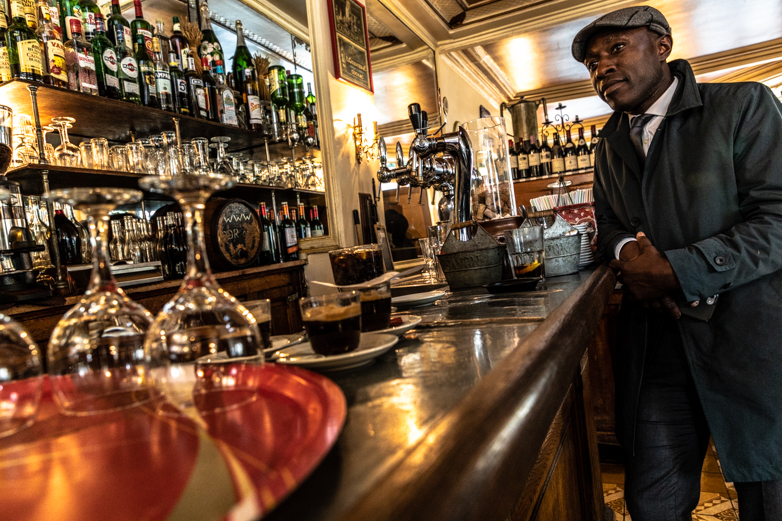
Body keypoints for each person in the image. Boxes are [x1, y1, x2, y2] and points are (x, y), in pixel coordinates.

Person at [571, 6, 782, 520]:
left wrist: (678, 269)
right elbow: (609, 224)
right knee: (653, 502)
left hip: (748, 336)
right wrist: (627, 255)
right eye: (593, 63)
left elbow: (777, 218)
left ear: (662, 45)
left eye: (617, 49)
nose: (602, 68)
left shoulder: (741, 104)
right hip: (658, 343)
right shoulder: (609, 141)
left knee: (769, 495)